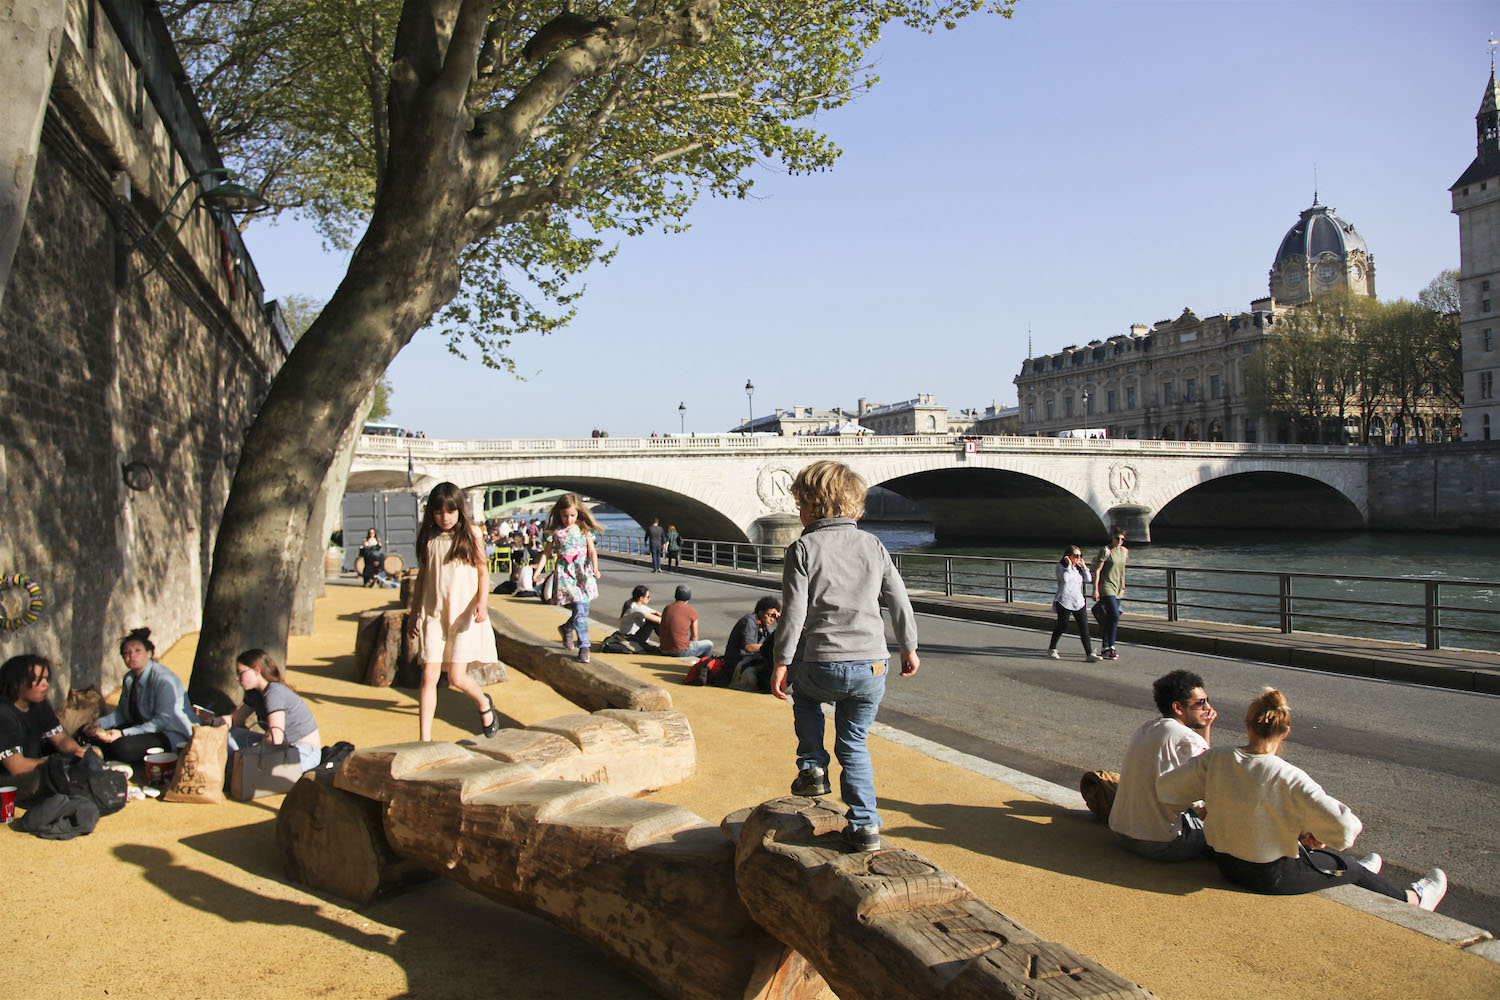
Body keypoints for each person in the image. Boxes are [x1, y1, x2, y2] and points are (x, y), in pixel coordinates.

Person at [1158, 687, 1448, 910]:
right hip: (1269, 876)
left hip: (1226, 865)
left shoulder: (1216, 758)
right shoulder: (1289, 776)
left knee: (1338, 860)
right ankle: (1413, 898)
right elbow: (1346, 828)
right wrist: (1319, 835)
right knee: (1353, 867)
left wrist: (1212, 805)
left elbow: (1168, 789)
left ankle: (1345, 867)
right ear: (1285, 732)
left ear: (1247, 723)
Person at [772, 460, 920, 852]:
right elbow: (898, 599)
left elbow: (794, 613)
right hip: (873, 663)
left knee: (805, 698)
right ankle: (865, 825)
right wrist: (909, 646)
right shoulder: (873, 544)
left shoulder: (803, 547)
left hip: (822, 661)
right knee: (854, 744)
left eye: (800, 504)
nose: (798, 513)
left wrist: (782, 661)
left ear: (813, 505)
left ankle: (813, 767)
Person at [405, 482, 503, 742]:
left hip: (463, 614)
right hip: (433, 614)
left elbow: (483, 571)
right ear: (431, 513)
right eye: (438, 512)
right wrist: (414, 613)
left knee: (457, 677)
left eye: (450, 511)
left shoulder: (471, 534)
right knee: (428, 675)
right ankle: (423, 739)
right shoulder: (428, 538)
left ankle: (483, 703)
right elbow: (423, 578)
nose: (444, 517)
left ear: (460, 510)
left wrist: (481, 602)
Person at [1109, 669, 1216, 861]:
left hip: (1120, 833)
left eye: (1207, 700)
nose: (1208, 708)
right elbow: (1211, 781)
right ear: (1178, 707)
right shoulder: (1187, 738)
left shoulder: (1146, 728)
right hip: (1162, 844)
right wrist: (1206, 728)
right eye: (1201, 703)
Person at [196, 649, 323, 772]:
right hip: (282, 748)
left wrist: (246, 755)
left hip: (303, 751)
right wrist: (210, 720)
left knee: (253, 767)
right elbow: (234, 720)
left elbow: (275, 738)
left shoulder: (274, 692)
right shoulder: (255, 693)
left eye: (241, 673)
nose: (237, 678)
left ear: (257, 670)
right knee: (229, 735)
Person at [85, 628, 196, 765]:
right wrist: (100, 724)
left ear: (149, 653)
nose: (132, 656)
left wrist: (124, 733)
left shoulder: (163, 680)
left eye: (137, 651)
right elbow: (121, 714)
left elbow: (161, 721)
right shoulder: (129, 679)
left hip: (168, 733)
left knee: (122, 747)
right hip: (142, 728)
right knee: (89, 734)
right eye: (127, 653)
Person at [0, 655, 93, 803]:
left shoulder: (39, 703)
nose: (45, 685)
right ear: (17, 684)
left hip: (34, 765)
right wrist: (62, 762)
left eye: (46, 679)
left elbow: (61, 739)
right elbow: (16, 767)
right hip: (8, 780)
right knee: (46, 778)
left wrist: (78, 752)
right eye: (38, 680)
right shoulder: (4, 715)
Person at [534, 493, 603, 663]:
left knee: (583, 611)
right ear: (559, 514)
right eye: (565, 516)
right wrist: (537, 571)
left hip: (583, 573)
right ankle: (584, 647)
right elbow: (547, 554)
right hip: (566, 575)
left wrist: (595, 567)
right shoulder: (555, 533)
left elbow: (592, 550)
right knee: (579, 608)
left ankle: (566, 628)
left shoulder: (584, 529)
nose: (569, 519)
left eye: (572, 515)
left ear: (578, 512)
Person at [1045, 545, 1097, 662]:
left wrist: (1084, 567)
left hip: (1078, 601)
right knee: (1062, 626)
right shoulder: (1061, 567)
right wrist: (1068, 567)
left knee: (1084, 627)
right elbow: (1065, 580)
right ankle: (1052, 648)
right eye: (1076, 556)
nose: (1079, 558)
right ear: (1068, 556)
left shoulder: (1078, 568)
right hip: (1064, 600)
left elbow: (1088, 579)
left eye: (1080, 556)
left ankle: (1089, 653)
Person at [726, 596, 781, 692]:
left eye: (774, 617)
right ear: (760, 612)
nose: (772, 619)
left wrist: (781, 624)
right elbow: (749, 647)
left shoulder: (764, 626)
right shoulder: (749, 621)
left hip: (750, 659)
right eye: (770, 615)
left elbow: (771, 641)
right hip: (737, 662)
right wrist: (768, 647)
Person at [1091, 529, 1128, 659]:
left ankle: (1106, 647)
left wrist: (1123, 585)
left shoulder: (1124, 551)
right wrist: (1095, 589)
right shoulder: (1106, 551)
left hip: (1118, 587)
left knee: (1111, 618)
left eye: (1122, 539)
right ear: (1112, 537)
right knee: (1114, 615)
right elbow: (1098, 570)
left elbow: (1122, 570)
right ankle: (1110, 646)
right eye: (1117, 538)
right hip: (1106, 586)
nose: (1119, 541)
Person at [659, 585, 712, 659]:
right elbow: (694, 636)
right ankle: (703, 667)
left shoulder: (667, 608)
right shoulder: (692, 611)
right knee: (708, 644)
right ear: (688, 597)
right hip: (680, 652)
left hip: (663, 650)